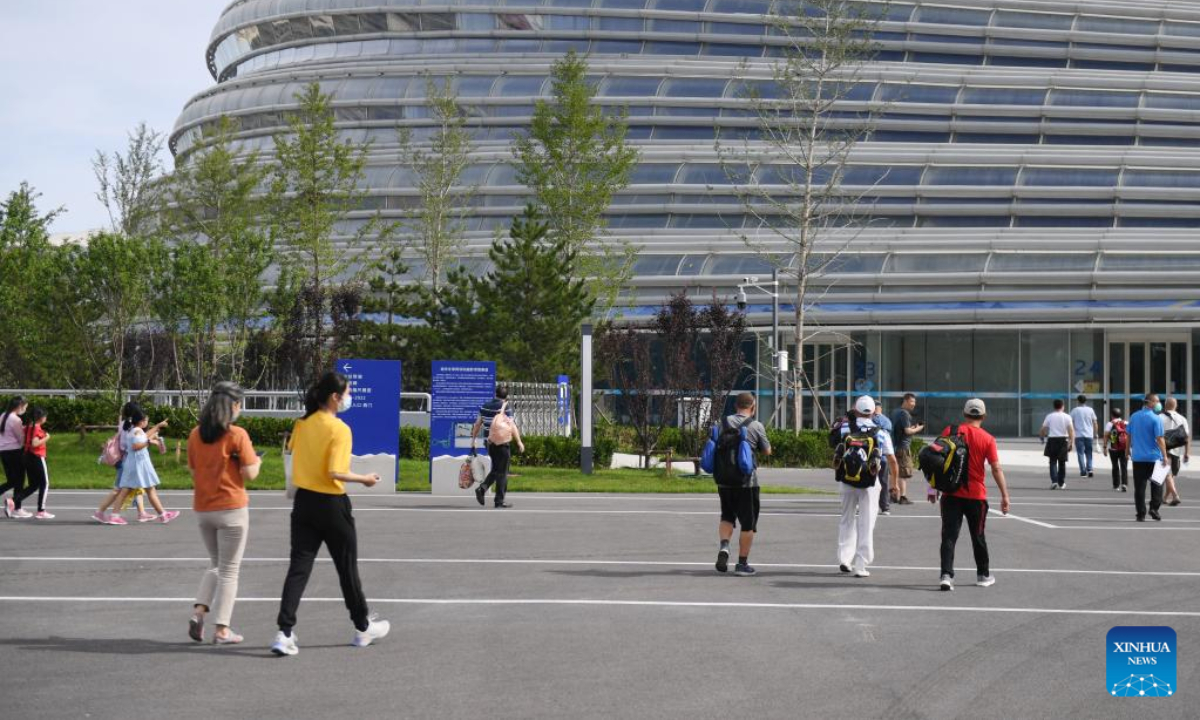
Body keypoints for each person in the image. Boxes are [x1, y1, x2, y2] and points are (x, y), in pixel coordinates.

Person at [272, 372, 390, 657]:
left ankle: (284, 631)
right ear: (335, 397)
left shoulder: (302, 424)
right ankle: (362, 628)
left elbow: (294, 452)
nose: (349, 398)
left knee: (299, 568)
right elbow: (334, 472)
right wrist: (365, 479)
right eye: (347, 393)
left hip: (303, 503)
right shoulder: (339, 429)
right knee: (347, 568)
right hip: (332, 504)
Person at [187, 383, 261, 645]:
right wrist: (258, 461)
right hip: (232, 509)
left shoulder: (196, 435)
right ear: (232, 406)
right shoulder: (236, 434)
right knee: (229, 571)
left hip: (204, 509)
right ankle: (222, 629)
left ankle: (199, 612)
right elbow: (250, 473)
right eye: (240, 404)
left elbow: (194, 472)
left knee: (216, 564)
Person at [931, 399, 1010, 591]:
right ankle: (983, 574)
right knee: (978, 535)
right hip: (976, 495)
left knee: (949, 536)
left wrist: (932, 488)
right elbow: (996, 468)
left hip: (951, 493)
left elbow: (936, 460)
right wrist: (1005, 495)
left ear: (965, 414)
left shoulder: (950, 431)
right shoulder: (988, 439)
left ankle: (946, 575)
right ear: (983, 416)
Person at [836, 396, 898, 578]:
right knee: (867, 522)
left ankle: (844, 559)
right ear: (873, 412)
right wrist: (894, 484)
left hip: (847, 480)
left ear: (855, 409)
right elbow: (892, 460)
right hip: (870, 482)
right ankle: (861, 564)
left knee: (846, 519)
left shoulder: (846, 428)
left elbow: (837, 447)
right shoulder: (881, 432)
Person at [714, 392, 772, 577]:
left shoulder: (720, 423)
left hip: (724, 481)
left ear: (735, 406)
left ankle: (724, 546)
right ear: (753, 407)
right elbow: (767, 451)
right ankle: (742, 564)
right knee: (748, 524)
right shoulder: (755, 425)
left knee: (727, 516)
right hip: (747, 483)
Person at [111, 409, 179, 524]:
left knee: (147, 489)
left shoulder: (137, 430)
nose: (147, 422)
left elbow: (145, 435)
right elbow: (136, 446)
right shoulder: (136, 431)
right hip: (138, 465)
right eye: (146, 420)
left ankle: (163, 514)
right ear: (141, 422)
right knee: (135, 489)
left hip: (137, 464)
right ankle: (162, 514)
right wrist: (149, 442)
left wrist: (158, 426)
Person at [92, 402, 151, 525]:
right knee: (119, 489)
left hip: (125, 460)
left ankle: (142, 513)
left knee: (135, 486)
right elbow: (130, 444)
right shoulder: (131, 427)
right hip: (125, 460)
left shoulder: (124, 423)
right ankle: (101, 512)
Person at [470, 385, 524, 509]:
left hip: (489, 443)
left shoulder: (485, 406)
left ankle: (482, 489)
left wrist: (473, 440)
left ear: (495, 394)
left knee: (496, 470)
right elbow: (512, 425)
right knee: (502, 472)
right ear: (506, 397)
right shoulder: (505, 407)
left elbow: (477, 424)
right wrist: (519, 442)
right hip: (502, 444)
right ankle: (498, 501)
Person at [1128, 394, 1168, 522]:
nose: (1158, 403)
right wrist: (1165, 455)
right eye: (1156, 401)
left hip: (1138, 457)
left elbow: (1128, 434)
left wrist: (1127, 450)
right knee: (1157, 485)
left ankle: (1140, 514)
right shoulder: (1156, 419)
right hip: (1154, 457)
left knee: (1139, 488)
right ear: (1149, 402)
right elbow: (1160, 439)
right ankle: (1154, 508)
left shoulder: (1134, 416)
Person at [11, 407, 52, 519]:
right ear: (40, 418)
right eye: (45, 416)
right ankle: (41, 511)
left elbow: (24, 439)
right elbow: (35, 443)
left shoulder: (28, 427)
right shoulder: (37, 429)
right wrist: (47, 437)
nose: (46, 418)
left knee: (34, 485)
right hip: (37, 457)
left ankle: (12, 501)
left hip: (27, 457)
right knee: (45, 483)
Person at [887, 393, 924, 506]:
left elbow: (901, 430)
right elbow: (907, 431)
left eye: (914, 402)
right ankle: (902, 497)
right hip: (903, 447)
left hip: (893, 446)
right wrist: (918, 428)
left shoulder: (895, 412)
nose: (914, 404)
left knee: (893, 471)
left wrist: (911, 428)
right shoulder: (904, 414)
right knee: (903, 473)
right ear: (906, 401)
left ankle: (893, 495)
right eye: (912, 402)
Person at [0, 396, 28, 516]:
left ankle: (15, 507)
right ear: (20, 406)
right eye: (25, 407)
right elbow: (20, 439)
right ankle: (17, 508)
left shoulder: (2, 416)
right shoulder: (16, 420)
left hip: (3, 451)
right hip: (14, 452)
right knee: (19, 481)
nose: (25, 410)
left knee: (12, 481)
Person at [1039, 399, 1074, 490]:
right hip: (1063, 440)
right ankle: (1061, 483)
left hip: (1052, 440)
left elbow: (1043, 429)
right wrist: (1072, 442)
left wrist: (1042, 437)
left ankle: (1054, 481)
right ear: (1063, 406)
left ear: (1054, 406)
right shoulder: (1067, 417)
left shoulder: (1049, 416)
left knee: (1052, 462)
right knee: (1062, 463)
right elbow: (1071, 430)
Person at [1161, 398, 1190, 507]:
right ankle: (1165, 498)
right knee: (1171, 475)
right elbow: (1186, 437)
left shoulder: (1159, 418)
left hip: (1164, 449)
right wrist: (1187, 453)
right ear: (1176, 405)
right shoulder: (1182, 418)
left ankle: (1175, 495)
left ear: (1165, 405)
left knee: (1167, 474)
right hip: (1176, 451)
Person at [1069, 395, 1099, 478]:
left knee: (1080, 453)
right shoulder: (1090, 410)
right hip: (1089, 435)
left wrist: (1070, 434)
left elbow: (1070, 422)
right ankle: (1090, 469)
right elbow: (1095, 423)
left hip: (1078, 435)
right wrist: (1095, 433)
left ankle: (1083, 472)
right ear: (1085, 401)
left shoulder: (1075, 410)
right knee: (1089, 453)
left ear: (1078, 401)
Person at [872, 401, 894, 516]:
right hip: (884, 457)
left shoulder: (871, 420)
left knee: (869, 482)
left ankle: (867, 505)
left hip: (871, 457)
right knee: (884, 483)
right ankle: (885, 507)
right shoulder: (887, 421)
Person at [1102, 407, 1129, 492]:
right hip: (1124, 448)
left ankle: (1116, 485)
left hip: (1113, 448)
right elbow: (1130, 435)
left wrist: (1105, 447)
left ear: (1112, 415)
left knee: (1115, 466)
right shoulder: (1126, 423)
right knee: (1124, 466)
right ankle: (1124, 484)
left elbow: (1106, 436)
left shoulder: (1110, 424)